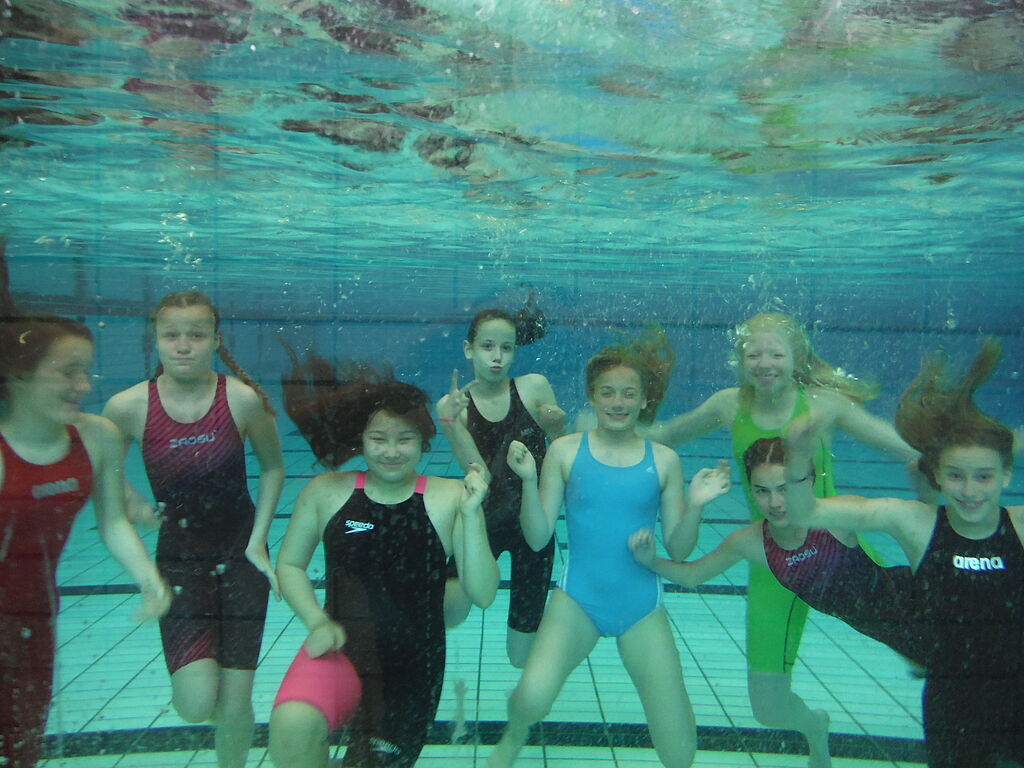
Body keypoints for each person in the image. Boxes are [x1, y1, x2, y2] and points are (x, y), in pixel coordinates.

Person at [642, 312, 918, 748]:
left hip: (842, 550)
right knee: (768, 708)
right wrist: (602, 432)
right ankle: (814, 727)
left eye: (776, 354)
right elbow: (669, 433)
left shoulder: (824, 404)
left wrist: (953, 462)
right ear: (740, 360)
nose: (765, 363)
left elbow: (891, 441)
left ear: (797, 358)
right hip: (772, 562)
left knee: (924, 646)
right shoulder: (728, 405)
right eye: (754, 354)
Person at [781, 336, 1022, 768]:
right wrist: (799, 454)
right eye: (956, 476)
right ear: (937, 474)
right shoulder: (916, 523)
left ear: (1006, 475)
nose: (970, 491)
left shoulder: (1019, 526)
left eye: (984, 477)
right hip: (953, 705)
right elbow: (805, 512)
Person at [630, 437, 928, 768]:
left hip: (924, 609)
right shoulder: (752, 542)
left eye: (784, 489)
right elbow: (692, 576)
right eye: (762, 491)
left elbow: (912, 519)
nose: (775, 502)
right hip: (896, 634)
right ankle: (818, 728)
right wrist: (651, 559)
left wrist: (924, 487)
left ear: (808, 481)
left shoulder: (836, 516)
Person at [269, 351, 499, 768]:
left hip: (411, 669)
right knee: (290, 728)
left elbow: (483, 593)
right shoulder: (326, 492)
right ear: (360, 439)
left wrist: (471, 516)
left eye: (404, 439)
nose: (391, 451)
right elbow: (289, 565)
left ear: (423, 441)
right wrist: (316, 621)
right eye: (378, 439)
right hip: (339, 649)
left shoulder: (448, 499)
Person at [487, 327, 698, 768]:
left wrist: (695, 503)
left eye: (628, 394)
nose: (618, 403)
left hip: (640, 606)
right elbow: (538, 536)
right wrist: (528, 481)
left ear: (644, 399)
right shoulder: (565, 452)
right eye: (607, 393)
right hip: (578, 601)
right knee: (530, 699)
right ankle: (515, 733)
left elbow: (679, 549)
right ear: (592, 397)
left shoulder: (664, 461)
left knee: (679, 751)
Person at [0, 246, 169, 768]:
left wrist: (149, 579)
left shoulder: (95, 437)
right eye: (67, 372)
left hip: (37, 616)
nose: (83, 386)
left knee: (22, 744)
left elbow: (112, 521)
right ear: (18, 373)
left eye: (86, 372)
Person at [102, 290, 284, 768]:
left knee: (237, 698)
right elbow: (100, 467)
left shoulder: (241, 399)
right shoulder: (127, 406)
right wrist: (130, 499)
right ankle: (206, 699)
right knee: (196, 704)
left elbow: (273, 468)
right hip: (179, 561)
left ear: (217, 340)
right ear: (155, 340)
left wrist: (258, 540)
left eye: (197, 335)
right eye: (172, 335)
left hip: (242, 557)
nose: (184, 345)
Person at [437, 294, 565, 667]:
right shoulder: (454, 406)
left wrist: (559, 428)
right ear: (469, 349)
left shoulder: (534, 386)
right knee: (449, 613)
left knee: (520, 656)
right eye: (487, 346)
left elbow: (560, 454)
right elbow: (481, 476)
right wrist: (450, 423)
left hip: (534, 525)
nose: (497, 357)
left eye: (506, 348)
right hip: (485, 523)